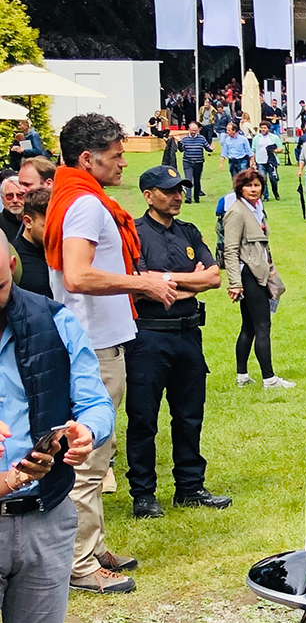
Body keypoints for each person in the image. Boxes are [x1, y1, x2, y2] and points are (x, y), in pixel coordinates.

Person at [0, 231, 117, 623]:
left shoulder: (53, 319)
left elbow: (96, 401)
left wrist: (84, 431)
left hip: (44, 517)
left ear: (12, 267)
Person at [46, 114, 179, 594]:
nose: (124, 162)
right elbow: (79, 275)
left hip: (92, 340)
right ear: (88, 159)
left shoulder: (73, 194)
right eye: (117, 155)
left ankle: (92, 545)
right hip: (93, 344)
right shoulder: (85, 203)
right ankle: (80, 563)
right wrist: (142, 282)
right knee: (89, 456)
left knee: (96, 455)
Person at [126, 166, 232, 519]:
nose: (177, 196)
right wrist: (186, 282)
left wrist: (165, 282)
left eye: (179, 190)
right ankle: (143, 493)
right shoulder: (135, 234)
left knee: (189, 415)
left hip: (188, 333)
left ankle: (190, 487)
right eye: (168, 190)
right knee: (143, 418)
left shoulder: (188, 231)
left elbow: (213, 277)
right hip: (149, 336)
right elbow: (138, 284)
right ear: (148, 196)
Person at [224, 169, 293, 394]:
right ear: (240, 188)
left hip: (259, 271)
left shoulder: (257, 208)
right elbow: (230, 250)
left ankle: (242, 376)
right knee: (263, 325)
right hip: (248, 274)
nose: (254, 189)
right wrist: (235, 282)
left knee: (249, 325)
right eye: (248, 185)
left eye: (257, 185)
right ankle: (269, 378)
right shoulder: (237, 212)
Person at [12, 192, 51, 297]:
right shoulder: (12, 257)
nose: (54, 232)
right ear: (28, 222)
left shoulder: (62, 252)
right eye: (47, 226)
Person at [179, 121, 209, 203]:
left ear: (198, 130)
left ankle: (196, 197)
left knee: (197, 180)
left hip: (198, 162)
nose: (193, 132)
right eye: (192, 130)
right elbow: (181, 150)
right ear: (189, 129)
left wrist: (211, 148)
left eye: (195, 130)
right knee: (188, 180)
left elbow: (207, 148)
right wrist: (179, 142)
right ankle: (188, 198)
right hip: (187, 162)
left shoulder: (201, 138)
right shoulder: (185, 139)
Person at [251, 121, 280, 200]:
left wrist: (274, 150)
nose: (263, 129)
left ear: (268, 129)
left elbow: (280, 148)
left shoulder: (274, 137)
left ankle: (275, 193)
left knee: (273, 179)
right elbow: (253, 150)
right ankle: (265, 196)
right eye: (262, 128)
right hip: (260, 161)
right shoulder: (257, 138)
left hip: (271, 162)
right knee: (262, 179)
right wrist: (253, 162)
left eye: (265, 128)